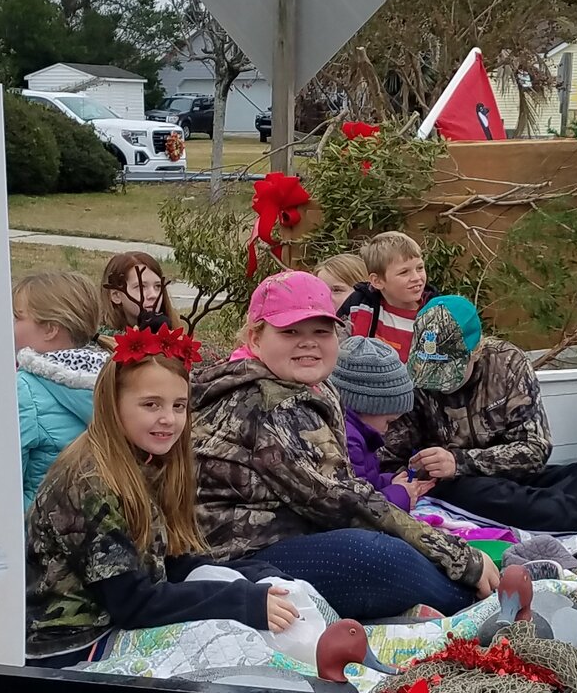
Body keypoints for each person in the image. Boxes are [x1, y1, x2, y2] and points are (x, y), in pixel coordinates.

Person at [191, 271, 493, 619]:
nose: (308, 343)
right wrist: (461, 558)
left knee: (387, 542)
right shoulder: (267, 404)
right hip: (239, 559)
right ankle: (475, 598)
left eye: (321, 331)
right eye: (289, 332)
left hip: (289, 537)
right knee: (371, 555)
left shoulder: (310, 386)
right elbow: (346, 504)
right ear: (257, 338)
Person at [24, 324, 297, 664]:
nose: (168, 419)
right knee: (221, 648)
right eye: (151, 404)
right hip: (69, 644)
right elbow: (133, 603)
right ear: (112, 404)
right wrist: (240, 602)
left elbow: (167, 562)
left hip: (111, 624)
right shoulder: (90, 480)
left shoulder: (143, 460)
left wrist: (253, 576)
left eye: (179, 405)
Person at [383, 294, 577, 531]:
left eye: (448, 370)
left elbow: (535, 450)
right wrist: (416, 472)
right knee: (494, 497)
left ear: (477, 350)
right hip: (462, 486)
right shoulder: (415, 378)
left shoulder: (509, 363)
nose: (437, 382)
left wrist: (460, 461)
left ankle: (554, 508)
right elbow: (389, 458)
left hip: (516, 476)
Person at [15, 272, 109, 505]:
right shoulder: (110, 380)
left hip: (34, 527)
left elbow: (3, 477)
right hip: (90, 525)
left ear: (50, 329)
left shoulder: (24, 390)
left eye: (17, 317)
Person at [331, 333, 431, 512]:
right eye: (388, 421)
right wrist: (402, 495)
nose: (388, 429)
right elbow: (358, 507)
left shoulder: (361, 433)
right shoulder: (349, 441)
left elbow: (367, 482)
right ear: (367, 406)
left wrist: (390, 481)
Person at [341, 230, 435, 361]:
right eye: (404, 272)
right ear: (377, 281)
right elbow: (334, 343)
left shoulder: (435, 315)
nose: (416, 277)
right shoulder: (358, 304)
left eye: (420, 268)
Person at [99, 250, 171, 331]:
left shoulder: (175, 337)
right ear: (116, 295)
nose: (153, 295)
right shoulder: (100, 338)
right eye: (141, 287)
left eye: (157, 286)